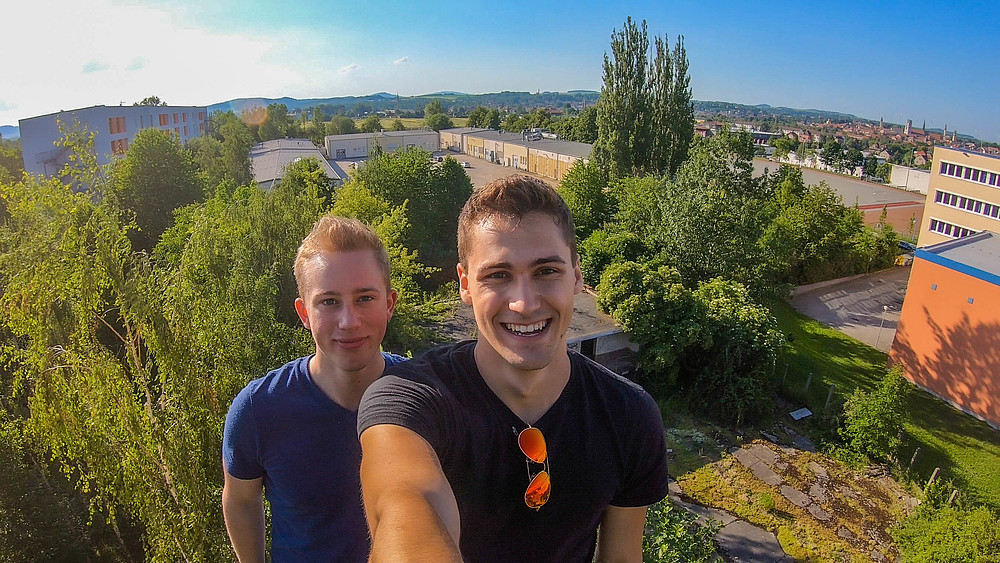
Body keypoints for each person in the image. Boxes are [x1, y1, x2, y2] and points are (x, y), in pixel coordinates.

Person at [358, 175, 668, 562]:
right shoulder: (410, 399)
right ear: (466, 284)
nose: (523, 303)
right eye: (498, 275)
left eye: (546, 271)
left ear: (576, 274)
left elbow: (621, 557)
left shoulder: (628, 415)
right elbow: (401, 500)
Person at [222, 215, 404, 562]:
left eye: (365, 298)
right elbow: (241, 500)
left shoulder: (424, 398)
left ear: (389, 304)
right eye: (329, 302)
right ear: (304, 313)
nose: (349, 321)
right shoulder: (260, 410)